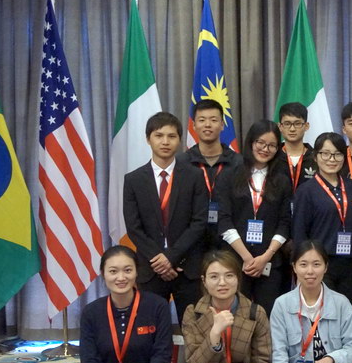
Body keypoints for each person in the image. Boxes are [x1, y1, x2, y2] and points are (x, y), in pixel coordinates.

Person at [123, 111, 208, 322]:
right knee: (150, 328)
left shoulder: (195, 176)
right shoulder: (133, 180)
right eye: (159, 136)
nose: (165, 142)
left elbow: (199, 222)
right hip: (150, 269)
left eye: (171, 136)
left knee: (195, 329)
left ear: (179, 140)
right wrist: (159, 260)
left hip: (186, 268)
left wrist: (171, 257)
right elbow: (133, 227)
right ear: (148, 139)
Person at [217, 120, 292, 315]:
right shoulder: (229, 175)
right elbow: (224, 220)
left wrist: (265, 257)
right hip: (235, 260)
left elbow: (284, 223)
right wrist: (247, 257)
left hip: (270, 263)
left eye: (272, 145)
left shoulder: (282, 180)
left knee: (267, 317)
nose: (265, 149)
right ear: (251, 142)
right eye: (261, 143)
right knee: (236, 317)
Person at [292, 133, 352, 304]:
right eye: (325, 154)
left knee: (346, 312)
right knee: (323, 312)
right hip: (319, 264)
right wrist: (303, 267)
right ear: (315, 157)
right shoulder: (306, 191)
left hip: (351, 264)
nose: (332, 159)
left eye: (337, 154)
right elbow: (299, 233)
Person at [182, 99, 243, 253]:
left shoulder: (239, 163)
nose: (207, 125)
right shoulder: (182, 163)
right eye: (202, 120)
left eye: (213, 120)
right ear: (194, 125)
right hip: (191, 243)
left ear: (222, 125)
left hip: (230, 241)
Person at [278, 102, 316, 193]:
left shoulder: (316, 158)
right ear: (280, 126)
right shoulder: (273, 157)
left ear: (306, 126)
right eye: (287, 124)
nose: (292, 129)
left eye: (297, 123)